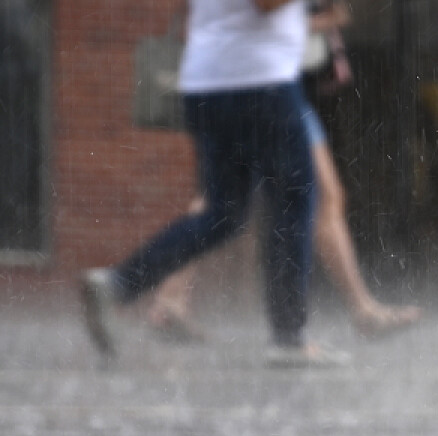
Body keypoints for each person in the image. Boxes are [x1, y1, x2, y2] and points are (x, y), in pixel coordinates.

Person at [145, 0, 420, 344]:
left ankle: (160, 296)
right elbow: (264, 9)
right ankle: (334, 319)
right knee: (254, 202)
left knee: (232, 203)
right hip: (262, 82)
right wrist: (320, 20)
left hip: (256, 79)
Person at [80, 0, 332, 367]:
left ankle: (118, 284)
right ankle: (288, 339)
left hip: (208, 81)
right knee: (293, 201)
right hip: (260, 79)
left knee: (223, 213)